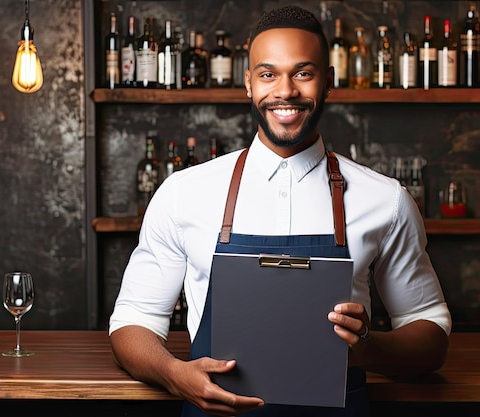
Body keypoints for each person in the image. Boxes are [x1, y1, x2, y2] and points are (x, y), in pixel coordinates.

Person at [109, 5, 451, 417]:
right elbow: (133, 321)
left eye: (303, 73)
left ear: (328, 83)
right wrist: (172, 373)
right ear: (248, 84)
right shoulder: (184, 193)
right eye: (268, 74)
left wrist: (366, 347)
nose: (285, 90)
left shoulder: (385, 199)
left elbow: (430, 332)